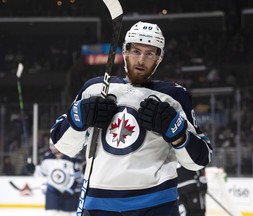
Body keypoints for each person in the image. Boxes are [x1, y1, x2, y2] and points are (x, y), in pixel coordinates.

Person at [50, 21, 212, 216]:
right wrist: (79, 117)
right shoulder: (96, 89)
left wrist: (178, 135)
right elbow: (63, 145)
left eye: (150, 53)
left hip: (156, 206)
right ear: (125, 52)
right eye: (136, 51)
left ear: (159, 57)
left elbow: (200, 159)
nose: (141, 60)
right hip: (98, 206)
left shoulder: (174, 96)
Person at [40, 142, 83, 216]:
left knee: (67, 214)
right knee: (51, 213)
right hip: (52, 190)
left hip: (68, 191)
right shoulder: (47, 159)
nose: (55, 148)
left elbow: (77, 178)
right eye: (53, 146)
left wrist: (69, 190)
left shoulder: (72, 159)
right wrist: (33, 170)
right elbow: (42, 173)